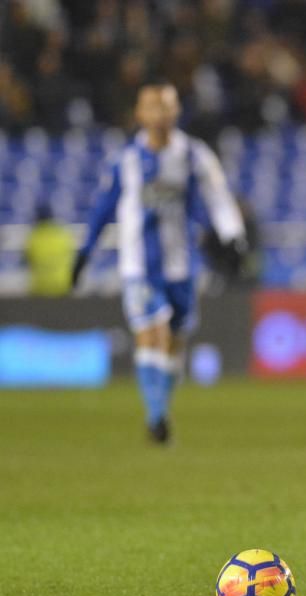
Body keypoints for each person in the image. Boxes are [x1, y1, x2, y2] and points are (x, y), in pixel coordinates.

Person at [72, 81, 246, 445]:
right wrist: (84, 252)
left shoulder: (193, 155)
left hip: (181, 266)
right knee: (154, 331)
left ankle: (160, 409)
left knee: (175, 343)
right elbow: (103, 208)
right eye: (152, 107)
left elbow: (218, 198)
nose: (160, 114)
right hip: (138, 267)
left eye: (166, 106)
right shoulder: (127, 161)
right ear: (139, 114)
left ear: (176, 112)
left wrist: (233, 237)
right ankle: (155, 417)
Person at [24, 204, 75, 296]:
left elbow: (26, 260)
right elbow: (71, 258)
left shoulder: (33, 237)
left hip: (40, 288)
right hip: (62, 287)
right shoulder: (63, 235)